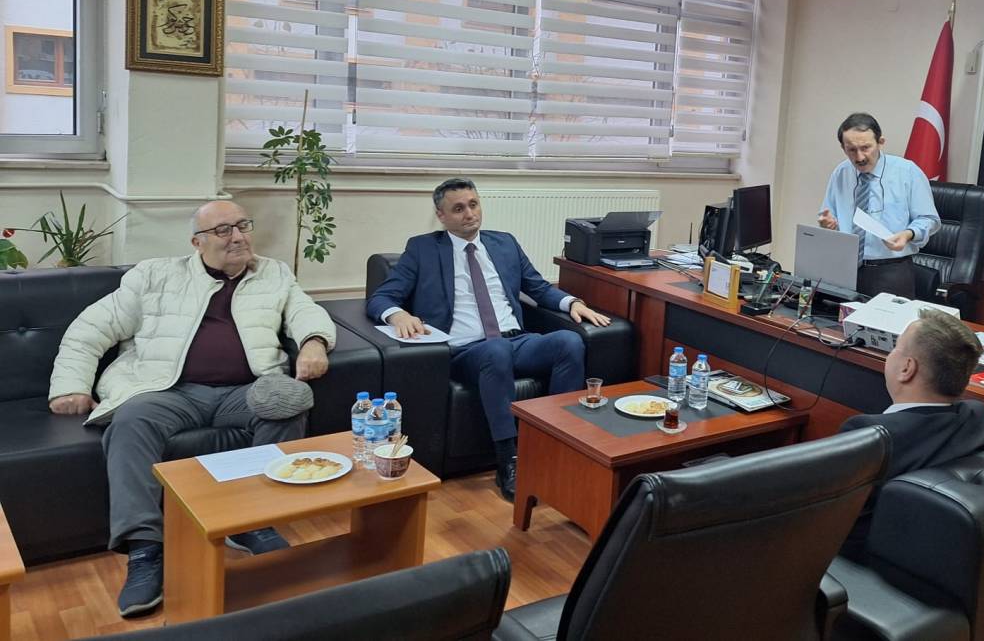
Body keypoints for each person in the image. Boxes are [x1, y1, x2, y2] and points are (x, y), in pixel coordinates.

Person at [47, 201, 335, 618]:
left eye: (242, 226)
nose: (237, 237)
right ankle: (145, 550)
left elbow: (305, 311)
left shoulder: (274, 273)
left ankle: (254, 520)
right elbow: (90, 330)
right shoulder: (154, 275)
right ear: (197, 242)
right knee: (130, 421)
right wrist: (70, 387)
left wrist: (314, 342)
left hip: (244, 390)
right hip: (167, 390)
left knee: (285, 403)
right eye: (223, 230)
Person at [366, 178, 612, 503]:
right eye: (458, 208)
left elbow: (538, 287)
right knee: (495, 351)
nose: (469, 213)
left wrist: (572, 303)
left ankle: (556, 445)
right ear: (441, 216)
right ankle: (508, 459)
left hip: (517, 341)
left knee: (568, 341)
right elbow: (381, 297)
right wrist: (398, 315)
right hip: (464, 351)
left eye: (473, 204)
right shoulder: (422, 249)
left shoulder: (504, 243)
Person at [837, 308, 984, 559]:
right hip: (939, 552)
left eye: (895, 348)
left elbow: (831, 517)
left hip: (867, 559)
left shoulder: (869, 434)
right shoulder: (979, 416)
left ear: (907, 368)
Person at [818, 113, 941, 298]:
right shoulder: (841, 173)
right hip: (845, 268)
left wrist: (908, 234)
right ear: (843, 148)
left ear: (880, 142)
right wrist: (828, 223)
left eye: (865, 148)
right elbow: (829, 214)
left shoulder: (907, 172)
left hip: (890, 271)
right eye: (851, 150)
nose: (859, 157)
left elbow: (929, 219)